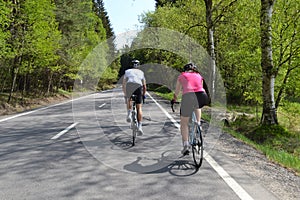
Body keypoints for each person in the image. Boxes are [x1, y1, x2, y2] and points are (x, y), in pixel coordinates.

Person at [171, 62, 209, 155]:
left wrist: (174, 99)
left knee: (184, 123)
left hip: (188, 97)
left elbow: (177, 91)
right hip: (202, 96)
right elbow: (200, 87)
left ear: (185, 70)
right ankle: (198, 124)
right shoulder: (199, 75)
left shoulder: (182, 76)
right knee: (197, 106)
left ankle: (186, 145)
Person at [122, 59, 147, 135]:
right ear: (138, 66)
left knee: (129, 99)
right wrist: (144, 95)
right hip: (138, 87)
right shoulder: (141, 72)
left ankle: (129, 114)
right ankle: (140, 126)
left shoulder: (127, 71)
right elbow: (144, 86)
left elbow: (123, 84)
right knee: (139, 107)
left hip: (129, 85)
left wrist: (125, 94)